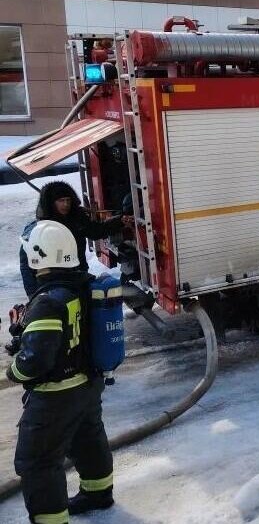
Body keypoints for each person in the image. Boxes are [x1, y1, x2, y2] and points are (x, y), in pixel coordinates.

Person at [8, 221, 114, 524]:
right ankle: (99, 493)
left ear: (37, 257)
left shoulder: (47, 302)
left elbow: (34, 363)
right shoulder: (85, 285)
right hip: (89, 383)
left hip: (56, 395)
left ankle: (50, 520)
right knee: (88, 437)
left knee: (37, 461)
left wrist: (13, 371)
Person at [19, 181, 132, 297]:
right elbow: (25, 265)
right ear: (51, 203)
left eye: (68, 200)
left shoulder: (77, 219)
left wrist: (119, 221)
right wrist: (32, 294)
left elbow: (95, 231)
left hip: (78, 276)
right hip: (51, 284)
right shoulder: (39, 230)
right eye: (61, 201)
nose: (66, 205)